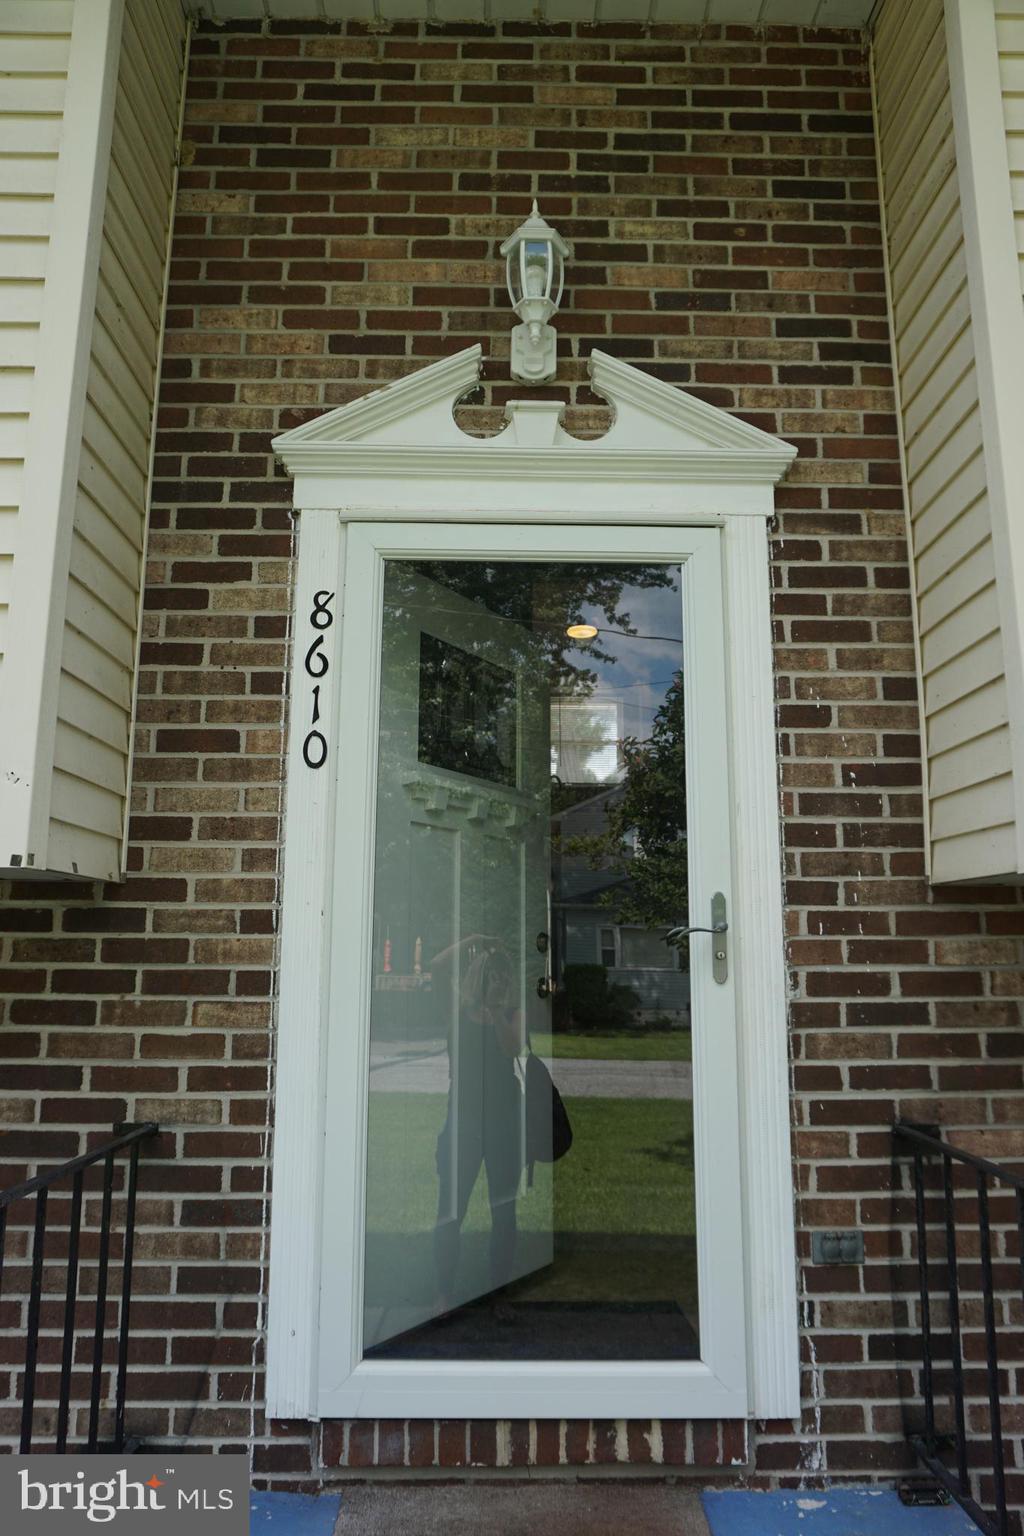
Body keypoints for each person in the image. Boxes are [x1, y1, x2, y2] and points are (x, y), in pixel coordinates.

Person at [431, 935, 525, 1318]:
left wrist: (499, 1011)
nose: (495, 980)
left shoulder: (511, 1011)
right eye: (488, 974)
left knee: (504, 1213)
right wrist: (475, 941)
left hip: (503, 1122)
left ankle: (499, 1296)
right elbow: (436, 966)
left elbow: (512, 1049)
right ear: (475, 974)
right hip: (463, 1122)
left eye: (500, 975)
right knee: (450, 1211)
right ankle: (442, 1294)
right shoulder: (456, 1009)